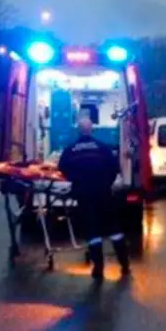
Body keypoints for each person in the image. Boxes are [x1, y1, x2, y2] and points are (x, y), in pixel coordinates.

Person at [57, 117, 130, 280]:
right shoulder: (103, 148)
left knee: (92, 230)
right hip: (103, 193)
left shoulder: (70, 150)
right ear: (92, 129)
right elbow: (114, 168)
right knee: (114, 228)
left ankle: (98, 267)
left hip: (84, 194)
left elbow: (62, 169)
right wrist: (106, 183)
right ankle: (124, 264)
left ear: (78, 130)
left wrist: (76, 182)